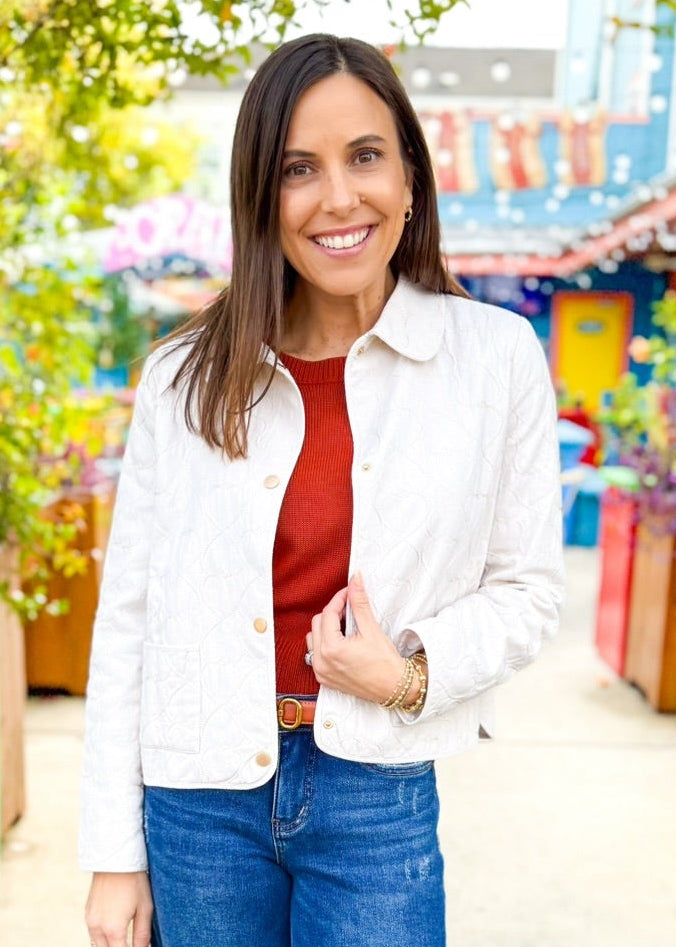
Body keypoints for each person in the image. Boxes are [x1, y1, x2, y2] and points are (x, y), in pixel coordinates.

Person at [81, 33, 564, 947]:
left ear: (411, 176)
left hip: (376, 789)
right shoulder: (182, 376)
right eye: (298, 168)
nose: (339, 197)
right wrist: (113, 853)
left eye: (366, 156)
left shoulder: (494, 358)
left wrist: (411, 674)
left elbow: (529, 587)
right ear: (260, 197)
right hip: (197, 800)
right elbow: (130, 618)